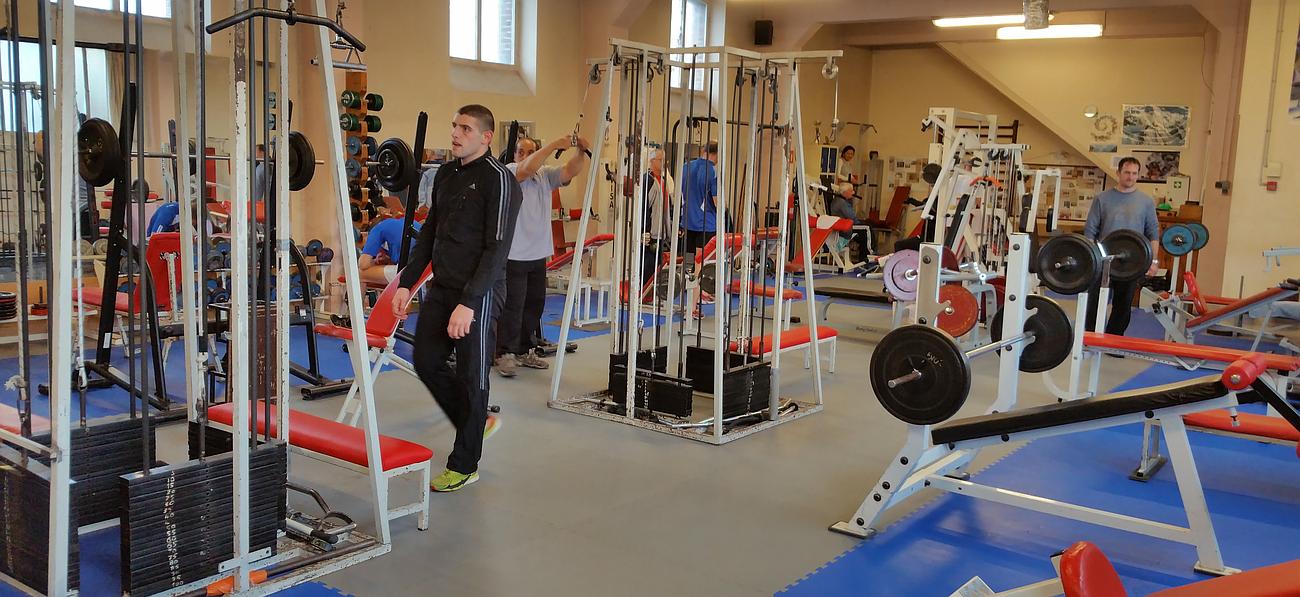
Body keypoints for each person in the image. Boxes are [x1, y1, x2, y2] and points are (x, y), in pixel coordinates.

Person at [392, 104, 523, 493]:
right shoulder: (447, 174)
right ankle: (476, 421)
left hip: (478, 293)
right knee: (426, 360)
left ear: (485, 137)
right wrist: (406, 283)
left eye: (465, 128)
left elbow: (497, 247)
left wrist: (469, 301)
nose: (455, 133)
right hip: (444, 287)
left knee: (471, 375)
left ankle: (465, 462)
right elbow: (429, 234)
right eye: (454, 126)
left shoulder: (500, 181)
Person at [495, 135, 590, 378]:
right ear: (515, 155)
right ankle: (505, 353)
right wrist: (553, 145)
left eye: (530, 151)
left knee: (534, 305)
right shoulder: (511, 171)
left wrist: (580, 151)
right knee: (513, 306)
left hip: (538, 254)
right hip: (514, 254)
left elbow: (570, 170)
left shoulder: (545, 176)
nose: (524, 156)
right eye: (521, 151)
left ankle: (525, 350)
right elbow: (527, 168)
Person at [1083, 156, 1159, 336]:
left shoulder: (1146, 201)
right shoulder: (1102, 198)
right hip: (1104, 260)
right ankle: (1091, 337)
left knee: (1123, 304)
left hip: (1132, 262)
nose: (1130, 177)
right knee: (1094, 300)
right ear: (1118, 173)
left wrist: (1154, 261)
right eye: (1127, 172)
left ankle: (1113, 340)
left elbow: (1153, 234)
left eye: (1134, 173)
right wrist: (1091, 258)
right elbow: (1090, 231)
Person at [640, 147, 675, 284]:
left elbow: (668, 206)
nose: (664, 163)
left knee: (658, 267)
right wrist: (644, 230)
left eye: (665, 160)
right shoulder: (647, 181)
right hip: (650, 234)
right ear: (652, 161)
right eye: (661, 160)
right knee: (648, 267)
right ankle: (644, 294)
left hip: (662, 233)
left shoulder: (664, 181)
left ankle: (653, 293)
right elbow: (643, 207)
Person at [680, 140, 719, 256]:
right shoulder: (713, 171)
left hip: (686, 222)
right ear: (716, 153)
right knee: (701, 261)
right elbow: (717, 202)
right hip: (706, 224)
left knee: (687, 259)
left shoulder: (685, 167)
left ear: (703, 150)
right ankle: (697, 274)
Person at [359, 217, 421, 285]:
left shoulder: (377, 229)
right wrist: (387, 259)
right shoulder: (405, 223)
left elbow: (363, 264)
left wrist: (372, 262)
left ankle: (357, 296)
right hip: (428, 268)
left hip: (413, 271)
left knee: (360, 274)